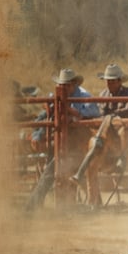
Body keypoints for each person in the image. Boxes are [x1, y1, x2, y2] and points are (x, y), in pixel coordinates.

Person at [25, 68, 101, 211]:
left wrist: (73, 112)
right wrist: (37, 135)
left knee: (55, 167)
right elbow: (43, 116)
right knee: (54, 164)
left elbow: (94, 112)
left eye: (66, 85)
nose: (63, 87)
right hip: (63, 142)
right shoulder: (59, 96)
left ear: (74, 84)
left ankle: (34, 203)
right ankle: (92, 204)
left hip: (80, 143)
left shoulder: (84, 96)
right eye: (62, 85)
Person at [70, 63, 128, 206]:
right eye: (108, 81)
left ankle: (119, 155)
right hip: (107, 136)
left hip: (127, 136)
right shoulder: (104, 94)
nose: (110, 84)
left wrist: (111, 117)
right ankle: (93, 202)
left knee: (121, 124)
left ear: (120, 81)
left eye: (113, 81)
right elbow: (100, 113)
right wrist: (108, 118)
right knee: (103, 125)